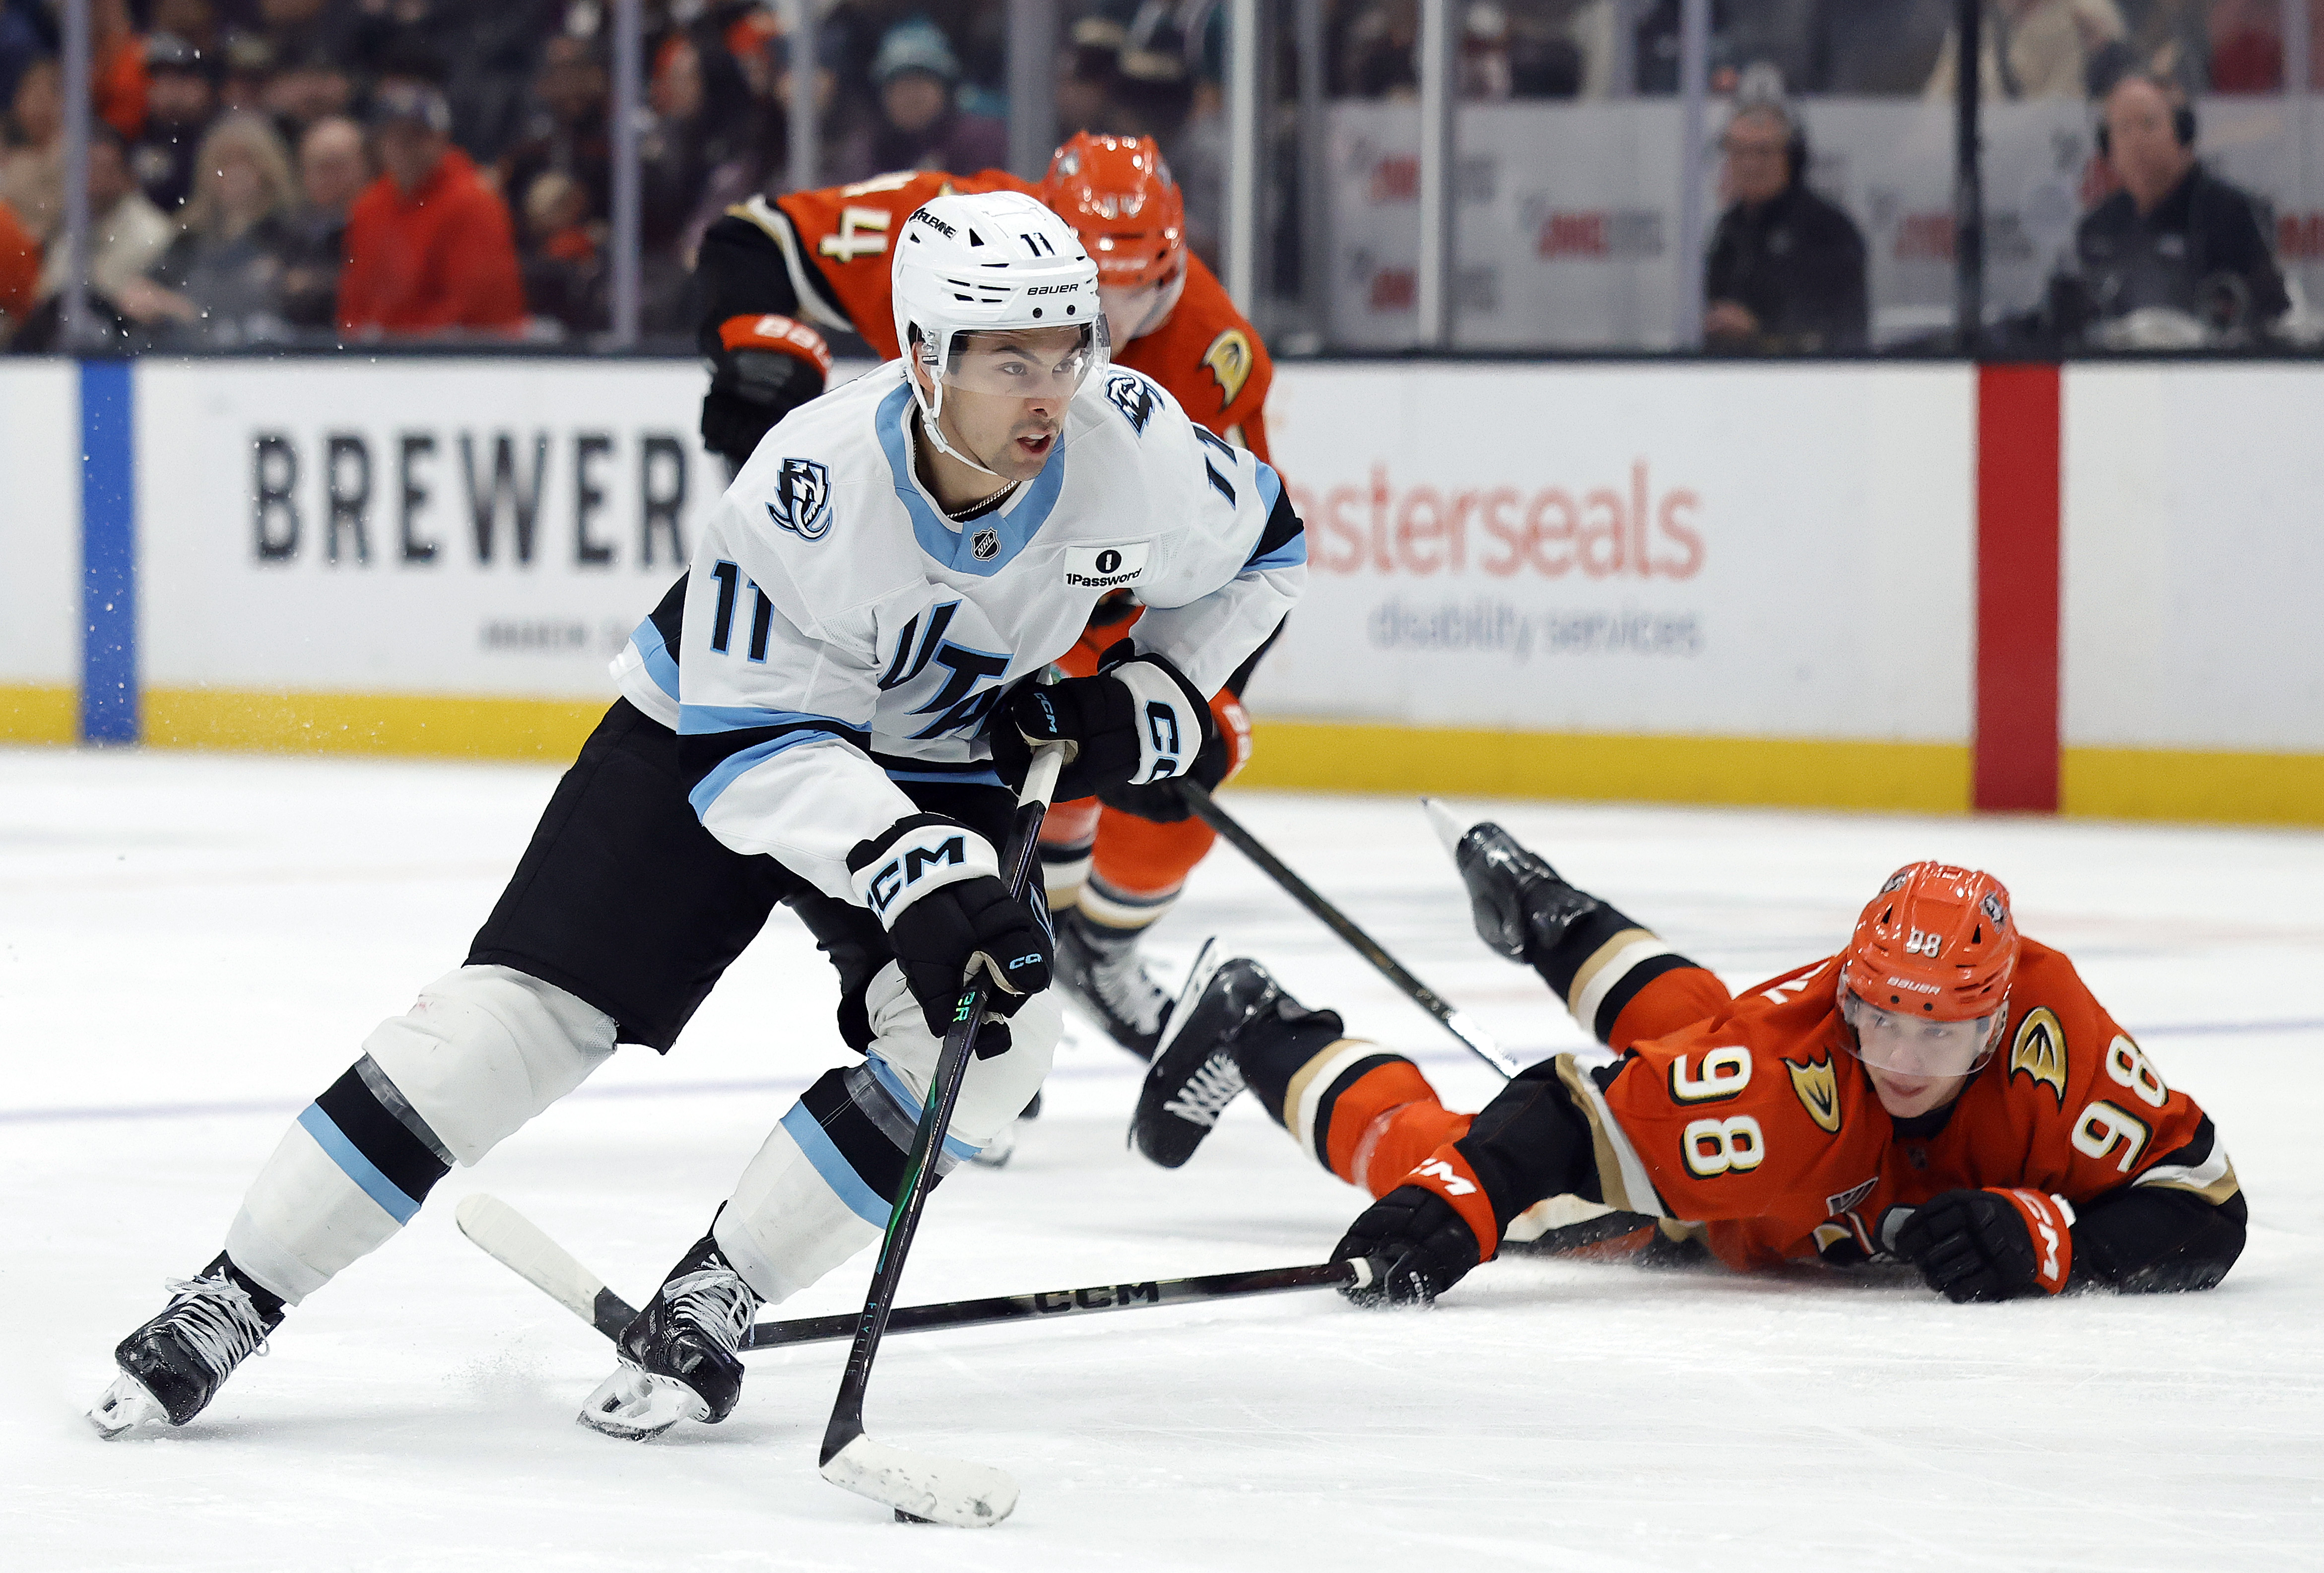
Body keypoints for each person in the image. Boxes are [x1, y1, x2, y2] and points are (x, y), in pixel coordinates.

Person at [88, 188, 1306, 1444]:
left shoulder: (1135, 447)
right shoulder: (814, 486)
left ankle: (721, 1286)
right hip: (715, 728)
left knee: (989, 1050)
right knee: (513, 1027)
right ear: (925, 358)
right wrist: (909, 865)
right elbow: (751, 750)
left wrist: (1156, 690)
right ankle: (231, 1292)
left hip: (939, 759)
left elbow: (1270, 544)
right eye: (1011, 362)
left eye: (1068, 352)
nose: (1052, 392)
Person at [690, 131, 1280, 1066]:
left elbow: (1237, 546)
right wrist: (766, 351)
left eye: (1145, 287)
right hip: (901, 581)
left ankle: (1095, 954)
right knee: (876, 785)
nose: (1116, 320)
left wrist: (1191, 694)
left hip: (1073, 595)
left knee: (1148, 778)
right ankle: (978, 986)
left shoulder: (1214, 351)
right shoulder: (967, 235)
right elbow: (754, 240)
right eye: (1100, 281)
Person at [1134, 829, 2245, 1308]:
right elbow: (1560, 1113)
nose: (1901, 1058)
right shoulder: (1785, 1091)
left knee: (1708, 1030)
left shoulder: (2059, 1041)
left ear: (1998, 1021)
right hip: (1732, 1214)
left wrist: (2055, 1241)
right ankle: (1260, 1025)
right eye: (1880, 1019)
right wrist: (1462, 1200)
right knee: (1439, 1153)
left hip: (1801, 1132)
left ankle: (1559, 920)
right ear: (1847, 994)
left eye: (1938, 1032)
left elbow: (2207, 1208)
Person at [2052, 72, 2289, 346]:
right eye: (2124, 129)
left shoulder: (2230, 214)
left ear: (2183, 131)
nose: (2136, 141)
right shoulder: (2097, 227)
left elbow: (2272, 321)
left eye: (2148, 125)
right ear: (2108, 147)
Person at [335, 79, 525, 339]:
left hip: (464, 356)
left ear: (441, 139)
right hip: (386, 355)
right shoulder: (369, 205)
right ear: (378, 143)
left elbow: (476, 308)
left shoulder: (473, 201)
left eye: (417, 135)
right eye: (393, 135)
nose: (404, 146)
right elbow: (355, 299)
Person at [116, 110, 298, 346]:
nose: (236, 173)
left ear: (269, 168)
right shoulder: (189, 240)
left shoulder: (290, 235)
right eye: (225, 162)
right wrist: (180, 310)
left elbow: (298, 293)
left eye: (246, 161)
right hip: (191, 357)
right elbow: (138, 293)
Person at [1702, 97, 1867, 352]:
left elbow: (1840, 335)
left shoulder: (1828, 230)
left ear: (1791, 158)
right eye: (1738, 151)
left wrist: (1759, 333)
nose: (1749, 164)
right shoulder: (1729, 229)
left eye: (1762, 152)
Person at [833, 15, 1006, 183]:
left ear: (945, 91)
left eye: (920, 85)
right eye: (900, 88)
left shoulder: (979, 143)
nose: (910, 98)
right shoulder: (870, 152)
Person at [278, 113, 365, 332]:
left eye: (338, 166)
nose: (328, 177)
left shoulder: (379, 225)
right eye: (319, 166)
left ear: (364, 167)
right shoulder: (286, 229)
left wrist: (315, 285)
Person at [129, 32, 214, 214]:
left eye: (177, 78)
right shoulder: (135, 135)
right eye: (159, 78)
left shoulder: (211, 136)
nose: (168, 88)